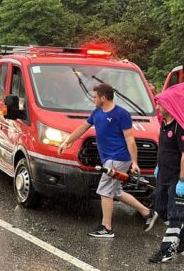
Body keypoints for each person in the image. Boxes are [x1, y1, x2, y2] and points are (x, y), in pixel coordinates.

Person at [58, 83, 158, 238]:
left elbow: (130, 140)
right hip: (109, 159)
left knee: (105, 191)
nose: (93, 99)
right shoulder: (98, 112)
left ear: (103, 97)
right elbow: (83, 127)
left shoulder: (121, 114)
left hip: (117, 158)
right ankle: (147, 212)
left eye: (95, 97)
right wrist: (67, 141)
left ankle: (107, 228)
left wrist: (135, 162)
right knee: (116, 191)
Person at [149, 83, 184, 263]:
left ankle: (166, 251)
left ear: (169, 106)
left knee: (176, 214)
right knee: (161, 209)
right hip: (164, 174)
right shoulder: (164, 124)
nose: (157, 107)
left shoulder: (181, 127)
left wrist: (183, 180)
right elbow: (163, 149)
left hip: (178, 176)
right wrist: (158, 166)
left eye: (160, 104)